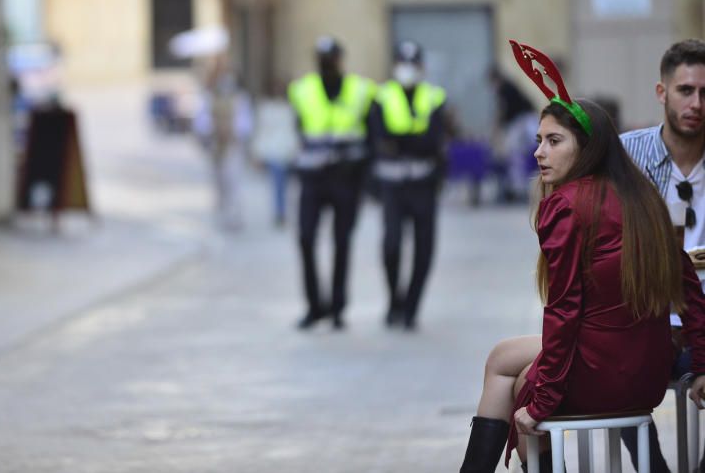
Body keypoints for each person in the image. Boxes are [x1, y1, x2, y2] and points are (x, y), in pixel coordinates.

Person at [458, 41, 705, 473]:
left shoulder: (567, 205)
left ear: (587, 148)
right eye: (539, 141)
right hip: (646, 368)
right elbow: (688, 288)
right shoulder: (643, 196)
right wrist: (702, 363)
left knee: (515, 380)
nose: (539, 153)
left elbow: (564, 310)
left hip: (605, 370)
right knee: (505, 362)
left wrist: (542, 401)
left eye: (554, 141)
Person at [617, 39, 705, 472]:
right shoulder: (626, 156)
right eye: (686, 91)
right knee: (611, 364)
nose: (697, 103)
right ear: (661, 93)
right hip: (645, 319)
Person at [287, 37, 375, 330]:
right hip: (312, 179)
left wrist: (365, 177)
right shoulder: (302, 90)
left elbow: (371, 135)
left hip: (345, 179)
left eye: (331, 58)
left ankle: (337, 308)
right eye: (322, 58)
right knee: (306, 238)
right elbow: (298, 129)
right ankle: (315, 307)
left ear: (341, 59)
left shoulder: (361, 90)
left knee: (341, 243)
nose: (327, 63)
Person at [369, 40, 447, 330]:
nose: (408, 70)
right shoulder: (381, 97)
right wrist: (414, 141)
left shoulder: (434, 97)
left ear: (422, 68)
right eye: (403, 64)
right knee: (391, 245)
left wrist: (401, 141)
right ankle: (394, 301)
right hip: (392, 185)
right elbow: (380, 141)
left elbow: (434, 141)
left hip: (424, 184)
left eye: (413, 65)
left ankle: (412, 308)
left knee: (424, 249)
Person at [193, 56, 253, 231]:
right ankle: (222, 213)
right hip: (215, 145)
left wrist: (233, 133)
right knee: (218, 182)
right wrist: (212, 131)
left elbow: (245, 123)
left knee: (233, 181)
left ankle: (234, 216)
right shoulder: (210, 97)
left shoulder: (240, 98)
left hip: (233, 146)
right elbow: (201, 121)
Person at [250, 80, 299, 227]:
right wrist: (257, 153)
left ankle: (281, 211)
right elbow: (261, 131)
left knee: (283, 185)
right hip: (272, 151)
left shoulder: (290, 108)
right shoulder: (266, 108)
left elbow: (293, 131)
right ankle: (280, 212)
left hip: (286, 151)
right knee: (278, 184)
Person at [489, 66, 537, 203]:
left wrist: (496, 128)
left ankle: (519, 188)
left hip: (522, 122)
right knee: (521, 154)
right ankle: (520, 187)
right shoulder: (510, 87)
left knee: (515, 154)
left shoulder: (504, 89)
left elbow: (502, 111)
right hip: (527, 120)